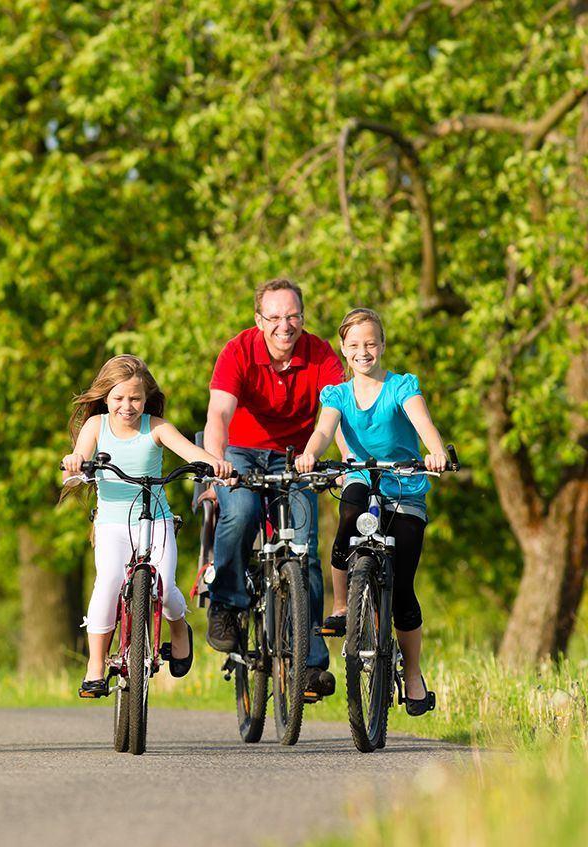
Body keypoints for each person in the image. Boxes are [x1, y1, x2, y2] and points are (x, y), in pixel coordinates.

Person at [295, 307, 449, 715]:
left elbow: (423, 423)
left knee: (402, 591)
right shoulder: (338, 394)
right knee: (348, 522)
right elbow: (325, 429)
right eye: (354, 345)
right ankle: (343, 605)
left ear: (381, 345)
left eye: (371, 343)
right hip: (362, 475)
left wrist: (434, 452)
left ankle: (413, 675)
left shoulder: (402, 386)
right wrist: (311, 454)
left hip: (404, 484)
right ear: (344, 350)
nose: (363, 351)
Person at [203, 278, 345, 699]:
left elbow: (337, 412)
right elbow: (219, 413)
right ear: (259, 320)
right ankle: (226, 603)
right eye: (276, 317)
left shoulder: (319, 353)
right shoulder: (238, 350)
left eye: (294, 316)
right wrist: (216, 462)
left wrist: (342, 462)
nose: (285, 325)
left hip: (297, 455)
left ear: (303, 317)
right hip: (240, 452)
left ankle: (310, 666)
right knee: (242, 512)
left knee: (305, 550)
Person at [61, 355, 232, 698]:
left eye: (135, 398)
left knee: (165, 587)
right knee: (108, 583)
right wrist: (75, 462)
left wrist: (216, 465)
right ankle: (96, 665)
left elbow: (190, 453)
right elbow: (79, 455)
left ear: (146, 397)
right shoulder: (97, 426)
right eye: (119, 398)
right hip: (112, 523)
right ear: (106, 397)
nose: (127, 406)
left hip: (156, 520)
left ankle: (179, 631)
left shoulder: (155, 427)